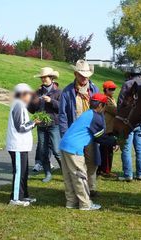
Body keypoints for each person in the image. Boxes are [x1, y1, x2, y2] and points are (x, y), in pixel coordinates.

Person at [60, 93, 117, 210]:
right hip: (74, 148)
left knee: (69, 176)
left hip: (64, 145)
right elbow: (100, 137)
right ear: (101, 105)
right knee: (80, 176)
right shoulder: (96, 117)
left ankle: (71, 202)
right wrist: (116, 141)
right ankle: (85, 204)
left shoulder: (87, 113)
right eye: (105, 105)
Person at [59, 60, 100, 197]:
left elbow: (100, 112)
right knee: (76, 163)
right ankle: (77, 190)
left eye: (87, 75)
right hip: (74, 134)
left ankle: (91, 187)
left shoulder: (94, 90)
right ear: (75, 74)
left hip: (90, 132)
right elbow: (63, 115)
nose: (85, 78)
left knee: (92, 161)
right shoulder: (67, 91)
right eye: (82, 75)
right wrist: (65, 134)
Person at [6, 83, 41, 207]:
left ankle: (23, 195)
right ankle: (15, 198)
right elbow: (20, 127)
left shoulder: (21, 105)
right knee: (19, 172)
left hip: (21, 145)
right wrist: (34, 123)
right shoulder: (18, 105)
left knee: (24, 172)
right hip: (17, 145)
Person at [28, 67, 62, 183]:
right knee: (43, 150)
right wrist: (31, 102)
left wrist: (51, 101)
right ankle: (48, 174)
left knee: (57, 150)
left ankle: (66, 172)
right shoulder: (37, 92)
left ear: (51, 78)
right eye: (42, 77)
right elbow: (32, 110)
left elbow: (62, 108)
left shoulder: (58, 92)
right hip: (41, 125)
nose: (43, 79)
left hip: (54, 125)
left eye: (45, 77)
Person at [117, 67, 141, 181]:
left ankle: (128, 174)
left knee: (126, 148)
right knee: (139, 148)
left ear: (131, 75)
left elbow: (121, 103)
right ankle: (140, 174)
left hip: (128, 122)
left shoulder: (127, 84)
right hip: (140, 122)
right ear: (140, 75)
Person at [97, 80, 118, 177]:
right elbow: (115, 111)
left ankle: (105, 170)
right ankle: (104, 171)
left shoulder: (111, 98)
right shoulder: (106, 100)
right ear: (105, 89)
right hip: (106, 130)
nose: (113, 90)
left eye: (114, 89)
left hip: (110, 129)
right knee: (106, 152)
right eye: (111, 89)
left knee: (108, 151)